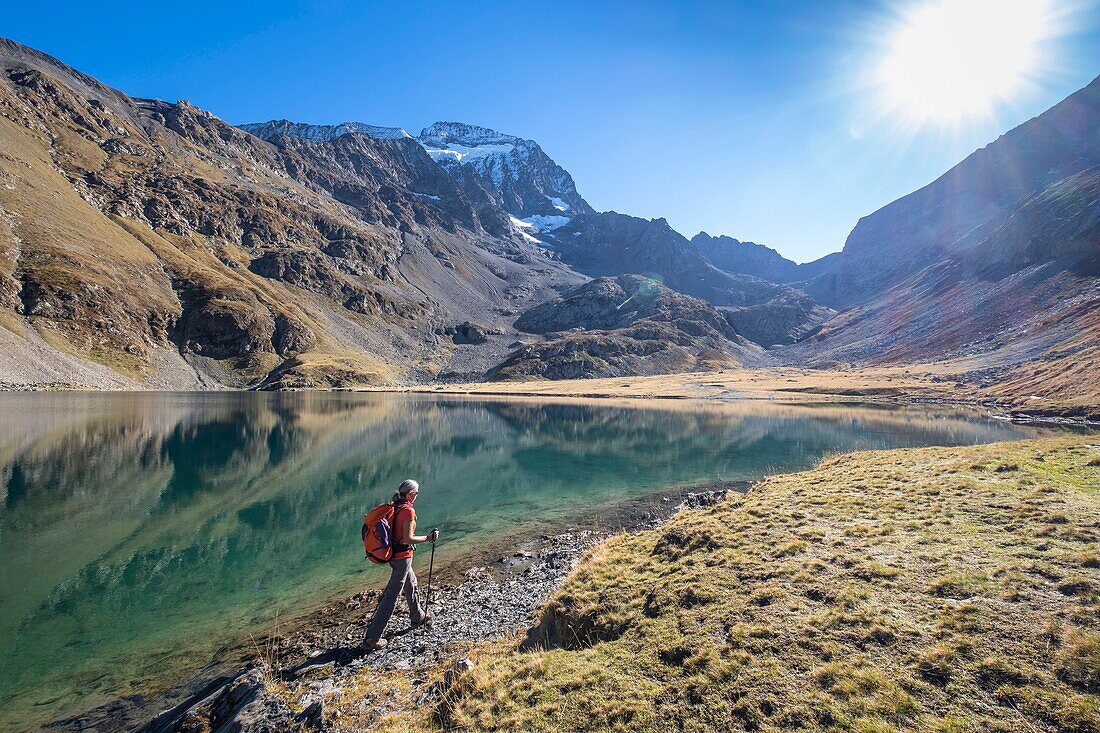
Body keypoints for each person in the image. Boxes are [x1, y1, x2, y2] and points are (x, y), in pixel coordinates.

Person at [361, 479, 439, 651]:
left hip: (394, 556)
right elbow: (407, 538)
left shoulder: (395, 507)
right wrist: (428, 538)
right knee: (391, 596)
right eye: (416, 493)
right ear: (411, 494)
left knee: (411, 582)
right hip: (402, 557)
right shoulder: (408, 511)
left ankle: (417, 615)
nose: (417, 496)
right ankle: (372, 639)